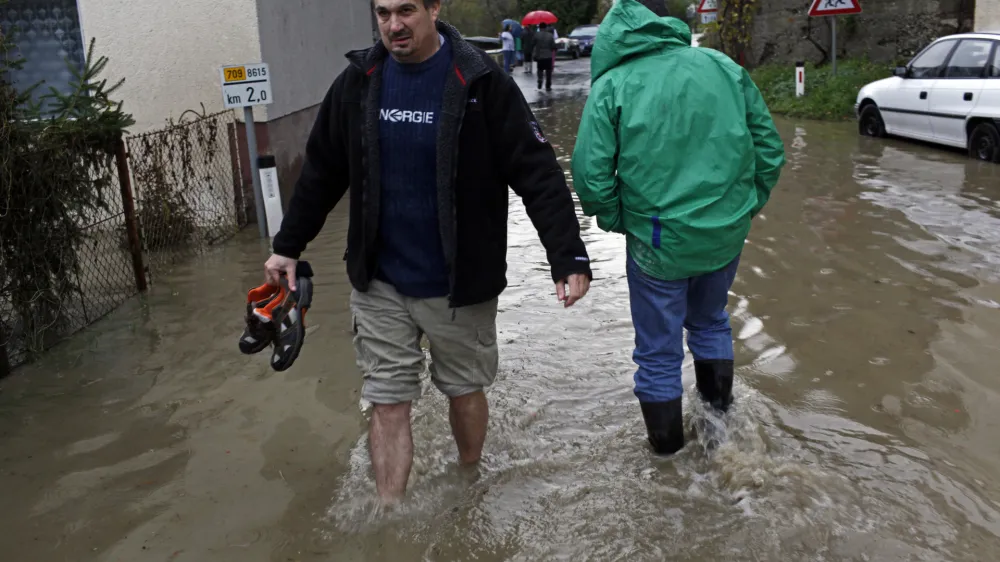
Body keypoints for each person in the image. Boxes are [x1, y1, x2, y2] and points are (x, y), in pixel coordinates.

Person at [266, 0, 593, 504]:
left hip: (459, 282)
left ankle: (469, 479)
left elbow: (538, 172)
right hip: (379, 280)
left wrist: (567, 255)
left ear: (434, 8)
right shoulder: (358, 82)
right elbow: (322, 170)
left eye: (406, 11)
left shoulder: (481, 82)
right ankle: (388, 514)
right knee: (387, 400)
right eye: (382, 13)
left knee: (463, 391)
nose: (393, 25)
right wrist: (287, 246)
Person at [571, 0, 785, 456]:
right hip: (723, 234)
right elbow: (769, 148)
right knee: (710, 322)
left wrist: (617, 219)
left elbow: (589, 176)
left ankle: (666, 461)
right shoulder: (722, 66)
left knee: (658, 353)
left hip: (657, 243)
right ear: (669, 22)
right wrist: (745, 208)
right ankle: (719, 432)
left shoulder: (612, 85)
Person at [533, 22, 556, 91]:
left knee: (540, 69)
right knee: (548, 71)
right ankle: (548, 86)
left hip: (540, 56)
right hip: (548, 56)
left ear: (539, 28)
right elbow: (553, 46)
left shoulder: (536, 35)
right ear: (546, 27)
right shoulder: (550, 35)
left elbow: (533, 44)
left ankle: (540, 79)